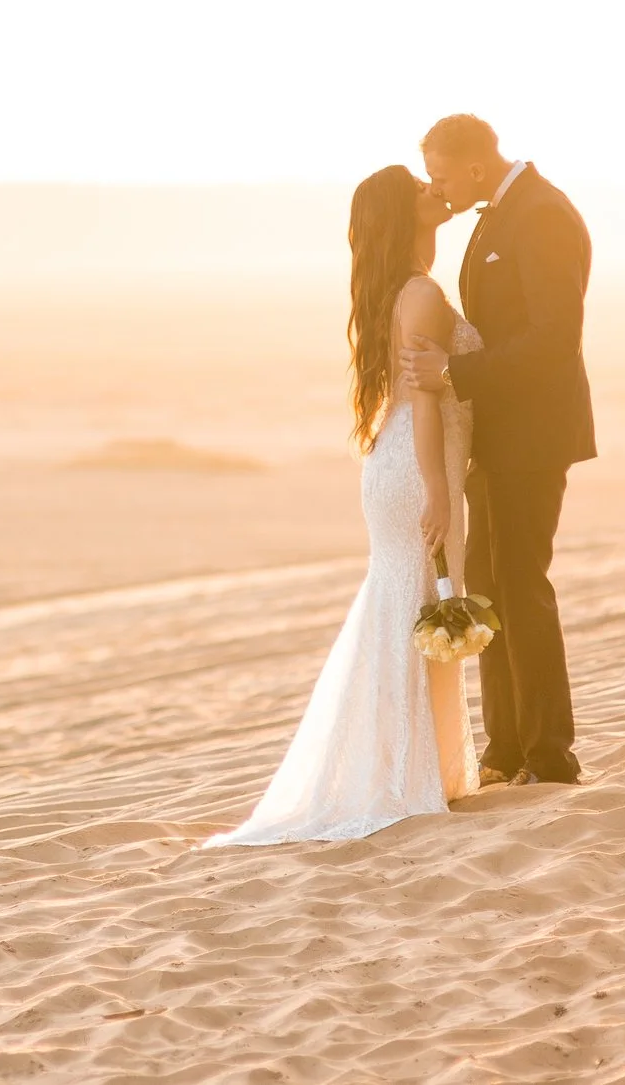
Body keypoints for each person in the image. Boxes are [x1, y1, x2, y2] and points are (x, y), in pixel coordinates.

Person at [203, 164, 479, 846]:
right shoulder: (418, 293)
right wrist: (440, 490)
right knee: (412, 607)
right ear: (402, 213)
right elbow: (423, 399)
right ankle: (400, 774)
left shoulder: (403, 290)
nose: (431, 189)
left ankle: (411, 766)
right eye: (418, 186)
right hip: (414, 470)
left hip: (401, 467)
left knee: (404, 609)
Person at [401, 114, 594, 787]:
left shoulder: (540, 215)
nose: (439, 189)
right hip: (496, 436)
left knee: (520, 583)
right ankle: (504, 747)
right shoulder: (494, 214)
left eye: (442, 176)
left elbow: (553, 338)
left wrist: (455, 377)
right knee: (486, 587)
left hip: (534, 436)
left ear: (476, 168)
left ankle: (550, 754)